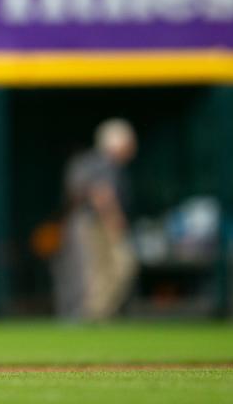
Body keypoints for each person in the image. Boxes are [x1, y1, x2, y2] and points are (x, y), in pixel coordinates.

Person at [53, 118, 139, 320]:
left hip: (85, 221)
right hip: (95, 222)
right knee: (114, 266)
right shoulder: (103, 161)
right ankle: (93, 314)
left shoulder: (88, 161)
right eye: (129, 143)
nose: (132, 147)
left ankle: (95, 313)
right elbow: (101, 194)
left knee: (100, 270)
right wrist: (113, 220)